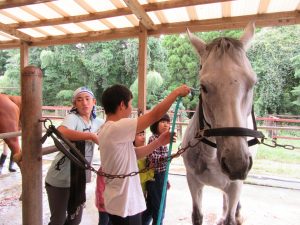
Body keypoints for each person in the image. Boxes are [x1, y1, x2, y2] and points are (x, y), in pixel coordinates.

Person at [97, 84, 190, 225]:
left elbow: (133, 154)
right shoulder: (117, 127)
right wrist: (176, 92)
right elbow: (155, 115)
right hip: (124, 205)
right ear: (122, 105)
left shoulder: (108, 129)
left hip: (122, 203)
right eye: (130, 103)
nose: (131, 107)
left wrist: (158, 142)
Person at [45, 87, 104, 225]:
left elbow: (114, 127)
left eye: (87, 99)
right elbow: (62, 131)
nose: (84, 103)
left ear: (94, 101)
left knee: (75, 220)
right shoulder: (72, 118)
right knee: (57, 221)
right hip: (59, 180)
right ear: (75, 104)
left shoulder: (98, 122)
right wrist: (90, 136)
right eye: (79, 99)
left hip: (79, 180)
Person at [143, 114, 171, 225]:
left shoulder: (164, 140)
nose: (166, 125)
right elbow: (153, 159)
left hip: (161, 176)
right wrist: (169, 157)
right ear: (156, 124)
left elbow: (164, 164)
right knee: (159, 210)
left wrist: (166, 179)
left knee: (151, 208)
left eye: (168, 122)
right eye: (163, 122)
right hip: (155, 176)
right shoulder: (153, 139)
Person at [135, 131, 154, 196]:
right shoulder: (133, 156)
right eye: (140, 135)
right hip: (137, 192)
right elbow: (138, 178)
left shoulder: (147, 153)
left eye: (143, 134)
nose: (143, 137)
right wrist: (151, 171)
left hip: (144, 190)